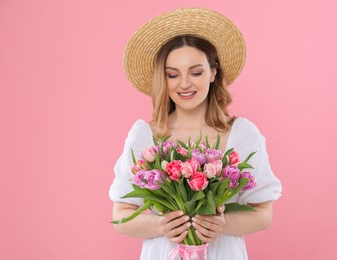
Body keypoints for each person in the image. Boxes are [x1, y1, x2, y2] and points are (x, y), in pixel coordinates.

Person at [109, 8, 282, 260]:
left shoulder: (241, 134)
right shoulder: (145, 136)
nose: (185, 83)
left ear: (213, 73)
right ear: (163, 79)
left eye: (196, 72)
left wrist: (222, 224)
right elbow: (120, 215)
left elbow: (263, 214)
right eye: (172, 74)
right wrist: (161, 226)